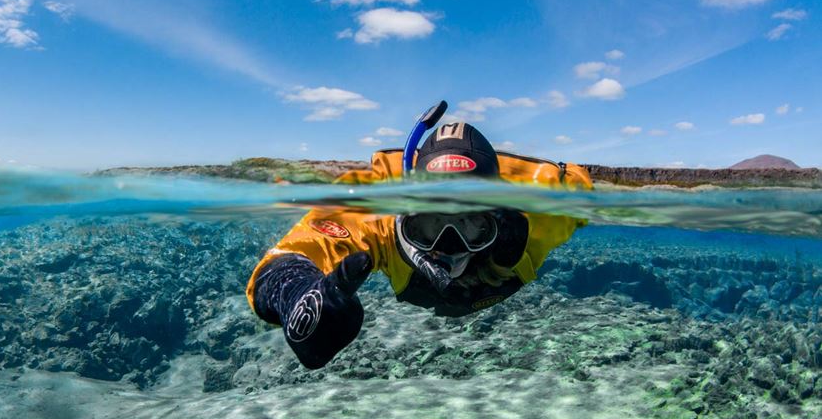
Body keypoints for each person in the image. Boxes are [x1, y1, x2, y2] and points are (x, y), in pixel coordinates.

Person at [246, 102, 593, 369]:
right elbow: (295, 252)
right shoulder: (376, 209)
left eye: (473, 226)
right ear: (405, 215)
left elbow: (583, 191)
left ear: (499, 220)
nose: (449, 246)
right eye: (427, 226)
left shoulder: (545, 210)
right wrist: (295, 293)